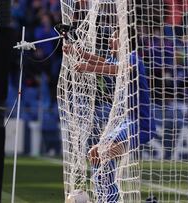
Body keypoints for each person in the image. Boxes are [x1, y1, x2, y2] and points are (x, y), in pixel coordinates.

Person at [63, 30, 157, 202]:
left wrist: (89, 68)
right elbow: (102, 61)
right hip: (126, 122)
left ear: (124, 41)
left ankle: (110, 199)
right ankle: (105, 198)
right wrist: (77, 52)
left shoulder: (133, 57)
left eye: (114, 37)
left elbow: (119, 70)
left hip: (140, 124)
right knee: (95, 153)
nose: (109, 39)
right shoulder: (120, 59)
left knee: (105, 152)